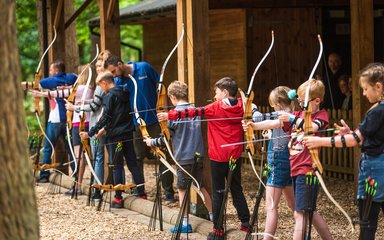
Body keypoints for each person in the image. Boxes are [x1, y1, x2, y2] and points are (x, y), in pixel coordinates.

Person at [303, 63, 384, 240]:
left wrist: (319, 140)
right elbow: (371, 135)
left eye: (365, 89)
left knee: (367, 223)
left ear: (378, 86)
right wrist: (350, 132)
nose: (363, 93)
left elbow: (354, 140)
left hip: (374, 170)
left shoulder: (377, 111)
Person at [164, 77, 250, 240]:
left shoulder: (215, 107)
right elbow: (256, 114)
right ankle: (245, 223)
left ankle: (218, 230)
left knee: (218, 192)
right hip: (235, 156)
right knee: (236, 188)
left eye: (217, 93)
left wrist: (170, 114)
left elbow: (193, 112)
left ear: (225, 93)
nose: (215, 96)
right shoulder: (242, 106)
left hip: (219, 157)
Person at [144, 81, 213, 233]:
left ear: (172, 97)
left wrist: (151, 142)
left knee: (182, 189)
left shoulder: (174, 115)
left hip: (183, 157)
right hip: (197, 155)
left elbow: (165, 139)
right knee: (201, 187)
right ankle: (215, 219)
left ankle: (185, 224)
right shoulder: (195, 111)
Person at [104, 55, 175, 203]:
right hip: (135, 124)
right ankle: (140, 188)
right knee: (136, 157)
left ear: (119, 64)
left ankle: (168, 191)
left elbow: (161, 86)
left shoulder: (144, 67)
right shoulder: (118, 81)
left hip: (155, 120)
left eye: (114, 70)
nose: (114, 75)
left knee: (163, 154)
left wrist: (165, 110)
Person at [79, 71, 146, 208]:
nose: (102, 90)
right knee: (132, 163)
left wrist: (90, 133)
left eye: (101, 86)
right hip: (127, 134)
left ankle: (118, 198)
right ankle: (141, 193)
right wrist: (103, 129)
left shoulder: (109, 96)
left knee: (116, 165)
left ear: (105, 83)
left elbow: (105, 118)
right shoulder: (125, 93)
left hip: (115, 137)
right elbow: (118, 116)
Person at [277, 79, 332, 240]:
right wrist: (253, 126)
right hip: (296, 168)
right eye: (299, 99)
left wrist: (292, 118)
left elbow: (312, 127)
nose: (300, 103)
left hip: (307, 170)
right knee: (309, 212)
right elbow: (276, 122)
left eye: (304, 100)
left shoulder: (321, 116)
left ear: (316, 101)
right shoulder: (298, 114)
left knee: (300, 213)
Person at [242, 86, 298, 239]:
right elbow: (279, 131)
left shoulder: (283, 114)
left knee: (271, 207)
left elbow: (261, 119)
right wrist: (270, 136)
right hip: (287, 160)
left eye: (273, 104)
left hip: (278, 161)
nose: (273, 107)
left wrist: (251, 110)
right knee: (295, 206)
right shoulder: (293, 115)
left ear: (279, 103)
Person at [32, 65, 96, 195]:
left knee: (79, 156)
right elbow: (67, 90)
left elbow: (61, 93)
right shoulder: (89, 88)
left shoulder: (80, 89)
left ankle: (77, 185)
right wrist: (66, 87)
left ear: (81, 76)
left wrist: (42, 93)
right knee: (89, 156)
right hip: (89, 124)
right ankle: (87, 185)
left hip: (79, 124)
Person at [65, 50, 112, 200]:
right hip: (100, 124)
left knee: (98, 157)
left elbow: (95, 106)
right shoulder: (105, 81)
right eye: (97, 66)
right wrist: (83, 103)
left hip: (98, 125)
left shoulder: (101, 83)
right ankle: (99, 187)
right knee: (101, 157)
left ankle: (97, 190)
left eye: (100, 65)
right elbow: (96, 103)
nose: (98, 68)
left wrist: (76, 108)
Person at [22, 60, 77, 183]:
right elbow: (77, 77)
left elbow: (32, 84)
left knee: (48, 147)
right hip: (68, 119)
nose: (50, 72)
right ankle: (76, 173)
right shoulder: (72, 78)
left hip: (56, 120)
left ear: (56, 71)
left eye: (51, 70)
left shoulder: (50, 81)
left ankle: (44, 175)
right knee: (70, 147)